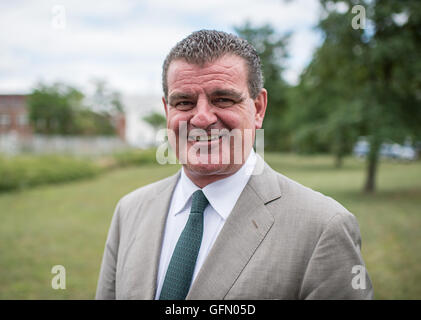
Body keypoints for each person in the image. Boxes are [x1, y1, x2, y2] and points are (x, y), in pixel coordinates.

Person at [96, 30, 373, 300]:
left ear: (259, 108)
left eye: (223, 99)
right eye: (184, 102)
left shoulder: (324, 228)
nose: (202, 118)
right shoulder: (129, 211)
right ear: (168, 111)